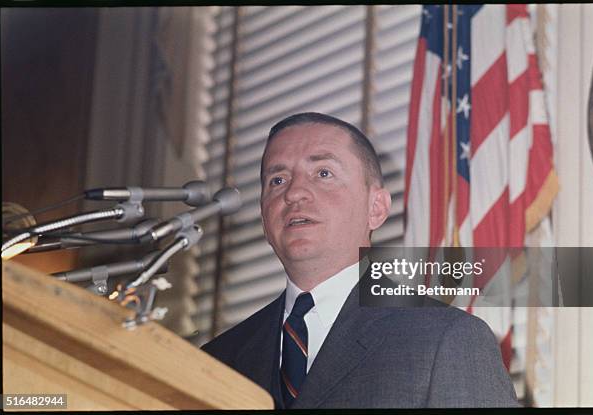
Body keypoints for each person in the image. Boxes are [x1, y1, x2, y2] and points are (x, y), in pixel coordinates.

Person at [202, 112, 519, 408]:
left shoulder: (448, 340)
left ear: (377, 208)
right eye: (277, 181)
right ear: (263, 215)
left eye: (323, 173)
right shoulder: (215, 361)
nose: (294, 193)